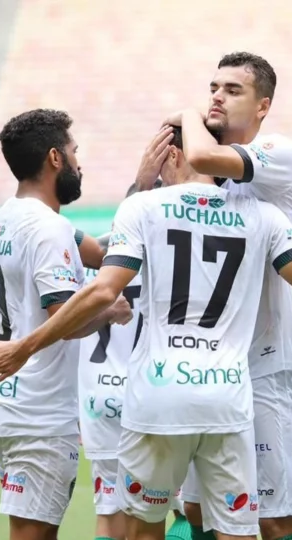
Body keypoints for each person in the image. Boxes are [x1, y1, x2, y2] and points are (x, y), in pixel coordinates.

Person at [0, 140, 292, 540]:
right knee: (238, 528)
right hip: (226, 398)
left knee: (142, 525)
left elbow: (102, 290)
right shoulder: (262, 215)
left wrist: (23, 347)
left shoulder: (143, 208)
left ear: (172, 154)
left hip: (157, 397)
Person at [157, 51, 292, 540]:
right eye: (213, 88)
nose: (217, 96)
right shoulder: (204, 179)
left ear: (263, 105)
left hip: (264, 364)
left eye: (233, 89)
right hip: (210, 369)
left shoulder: (276, 153)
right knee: (200, 513)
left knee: (272, 515)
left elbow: (201, 154)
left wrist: (185, 115)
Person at [0, 109, 133, 540]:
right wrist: (109, 313)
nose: (80, 162)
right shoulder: (49, 230)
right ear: (55, 158)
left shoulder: (7, 214)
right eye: (75, 151)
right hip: (36, 412)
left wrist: (143, 192)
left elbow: (99, 251)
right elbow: (63, 319)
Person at [80, 179, 190, 540]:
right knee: (180, 511)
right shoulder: (174, 251)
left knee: (109, 513)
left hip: (99, 396)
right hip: (152, 394)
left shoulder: (95, 255)